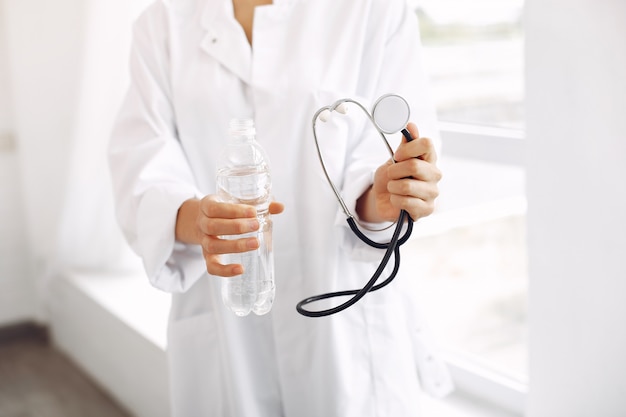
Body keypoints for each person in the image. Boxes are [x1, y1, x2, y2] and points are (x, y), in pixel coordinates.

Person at [109, 0, 453, 415]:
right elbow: (141, 166)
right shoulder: (162, 23)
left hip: (343, 324)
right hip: (223, 317)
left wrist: (382, 197)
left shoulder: (372, 10)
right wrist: (196, 220)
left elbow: (393, 155)